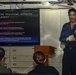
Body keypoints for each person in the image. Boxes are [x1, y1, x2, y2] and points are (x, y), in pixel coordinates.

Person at [59, 8, 76, 75]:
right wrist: (67, 38)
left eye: (73, 15)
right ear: (68, 16)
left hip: (75, 52)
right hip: (67, 52)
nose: (72, 17)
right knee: (65, 71)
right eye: (70, 15)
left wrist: (74, 39)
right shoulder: (65, 26)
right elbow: (61, 38)